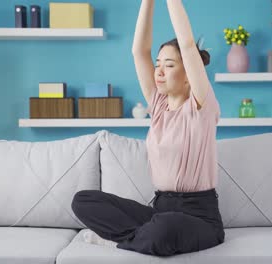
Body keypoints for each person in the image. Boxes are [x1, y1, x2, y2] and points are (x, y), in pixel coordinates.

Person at [71, 0, 224, 256]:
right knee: (83, 201)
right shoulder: (158, 105)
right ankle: (141, 238)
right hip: (160, 210)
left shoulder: (201, 105)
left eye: (170, 65)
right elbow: (138, 51)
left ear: (189, 73)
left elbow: (187, 44)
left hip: (200, 218)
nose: (160, 71)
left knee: (164, 227)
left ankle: (121, 241)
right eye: (158, 64)